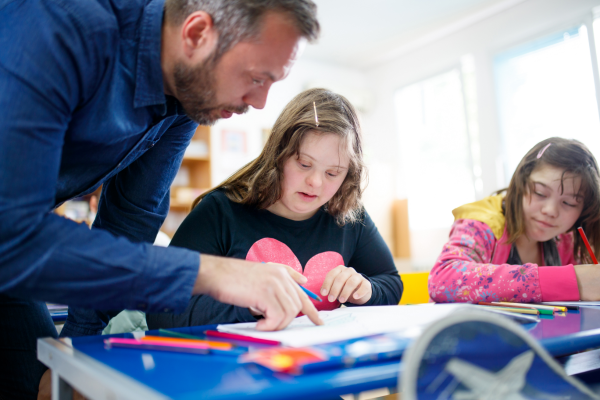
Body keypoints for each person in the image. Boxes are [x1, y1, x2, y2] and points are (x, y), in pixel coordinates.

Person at [0, 0, 322, 398]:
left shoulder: (188, 96)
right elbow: (15, 234)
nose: (259, 103)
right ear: (196, 34)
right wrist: (215, 274)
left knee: (52, 384)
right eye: (257, 77)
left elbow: (131, 218)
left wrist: (78, 347)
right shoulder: (63, 23)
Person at [146, 88, 403, 329]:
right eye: (303, 164)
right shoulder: (220, 212)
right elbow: (160, 310)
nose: (315, 182)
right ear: (278, 155)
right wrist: (250, 301)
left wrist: (367, 289)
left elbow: (391, 283)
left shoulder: (348, 216)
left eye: (333, 173)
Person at [429, 137, 600, 304]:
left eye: (569, 203)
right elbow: (443, 279)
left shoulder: (567, 238)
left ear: (584, 210)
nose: (550, 211)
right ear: (520, 183)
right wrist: (571, 280)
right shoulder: (482, 223)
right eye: (540, 193)